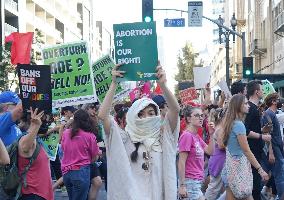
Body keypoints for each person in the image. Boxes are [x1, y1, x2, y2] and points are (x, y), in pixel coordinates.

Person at [98, 63, 180, 200]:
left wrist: (163, 85)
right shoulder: (124, 139)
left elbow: (175, 110)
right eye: (140, 114)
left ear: (157, 115)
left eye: (151, 113)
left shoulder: (164, 138)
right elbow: (103, 116)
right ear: (132, 117)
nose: (146, 118)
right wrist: (114, 84)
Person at [221, 94, 269, 199]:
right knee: (247, 196)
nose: (249, 106)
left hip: (230, 167)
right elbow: (246, 151)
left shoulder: (230, 123)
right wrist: (260, 169)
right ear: (239, 106)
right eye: (246, 103)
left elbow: (224, 145)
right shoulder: (238, 125)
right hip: (239, 168)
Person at [61, 109, 100, 200]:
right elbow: (94, 157)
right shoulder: (90, 136)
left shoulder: (66, 133)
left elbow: (63, 149)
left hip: (66, 172)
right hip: (81, 172)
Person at [178, 107, 215, 200]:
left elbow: (210, 151)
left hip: (197, 181)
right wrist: (182, 186)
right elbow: (181, 162)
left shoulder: (196, 136)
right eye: (197, 115)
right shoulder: (186, 136)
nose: (201, 118)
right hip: (190, 182)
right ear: (189, 119)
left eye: (202, 115)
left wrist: (211, 134)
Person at [18, 108, 54, 200]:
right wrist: (35, 125)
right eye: (43, 118)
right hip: (32, 194)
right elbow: (24, 147)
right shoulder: (25, 139)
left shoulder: (35, 140)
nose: (46, 121)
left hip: (40, 194)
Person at [245, 80, 271, 199]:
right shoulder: (250, 108)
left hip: (256, 150)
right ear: (256, 92)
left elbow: (250, 129)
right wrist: (262, 136)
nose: (263, 91)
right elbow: (245, 131)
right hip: (252, 151)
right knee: (255, 185)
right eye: (261, 89)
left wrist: (261, 130)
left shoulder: (253, 107)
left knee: (257, 183)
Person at [261, 93, 284, 198]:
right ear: (273, 102)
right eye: (278, 99)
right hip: (274, 148)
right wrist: (271, 152)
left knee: (269, 172)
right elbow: (267, 134)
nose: (280, 101)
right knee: (279, 174)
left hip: (276, 147)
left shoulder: (271, 114)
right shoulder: (268, 114)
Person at [205, 108, 226, 200]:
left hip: (218, 159)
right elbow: (221, 145)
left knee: (220, 188)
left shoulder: (219, 128)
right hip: (219, 161)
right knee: (214, 188)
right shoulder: (220, 129)